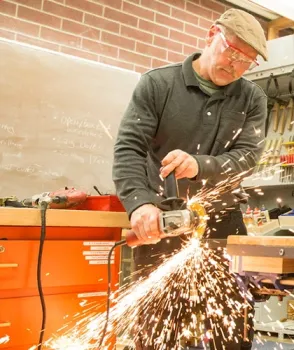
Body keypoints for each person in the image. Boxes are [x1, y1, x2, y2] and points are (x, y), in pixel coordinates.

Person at [113, 8, 268, 350]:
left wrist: (200, 165)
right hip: (164, 221)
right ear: (212, 34)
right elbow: (129, 149)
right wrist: (139, 205)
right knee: (158, 328)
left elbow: (246, 159)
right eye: (233, 52)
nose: (237, 66)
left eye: (248, 61)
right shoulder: (157, 84)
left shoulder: (253, 99)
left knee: (232, 327)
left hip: (223, 225)